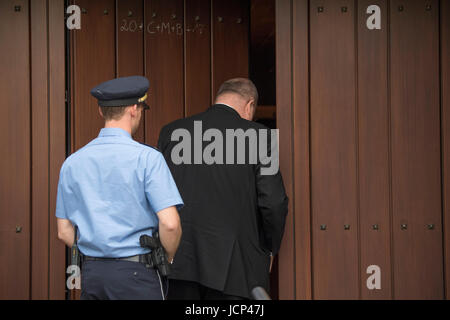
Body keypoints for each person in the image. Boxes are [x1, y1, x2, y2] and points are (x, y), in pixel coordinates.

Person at [158, 78, 288, 300]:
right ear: (249, 105)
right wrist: (269, 247)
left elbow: (160, 194)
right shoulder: (260, 136)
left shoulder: (171, 132)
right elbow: (272, 202)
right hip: (236, 269)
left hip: (180, 264)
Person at [56, 76, 183, 300]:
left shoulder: (73, 162)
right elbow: (170, 224)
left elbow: (64, 232)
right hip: (137, 274)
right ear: (134, 109)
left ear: (101, 112)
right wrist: (167, 258)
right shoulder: (148, 158)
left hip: (93, 274)